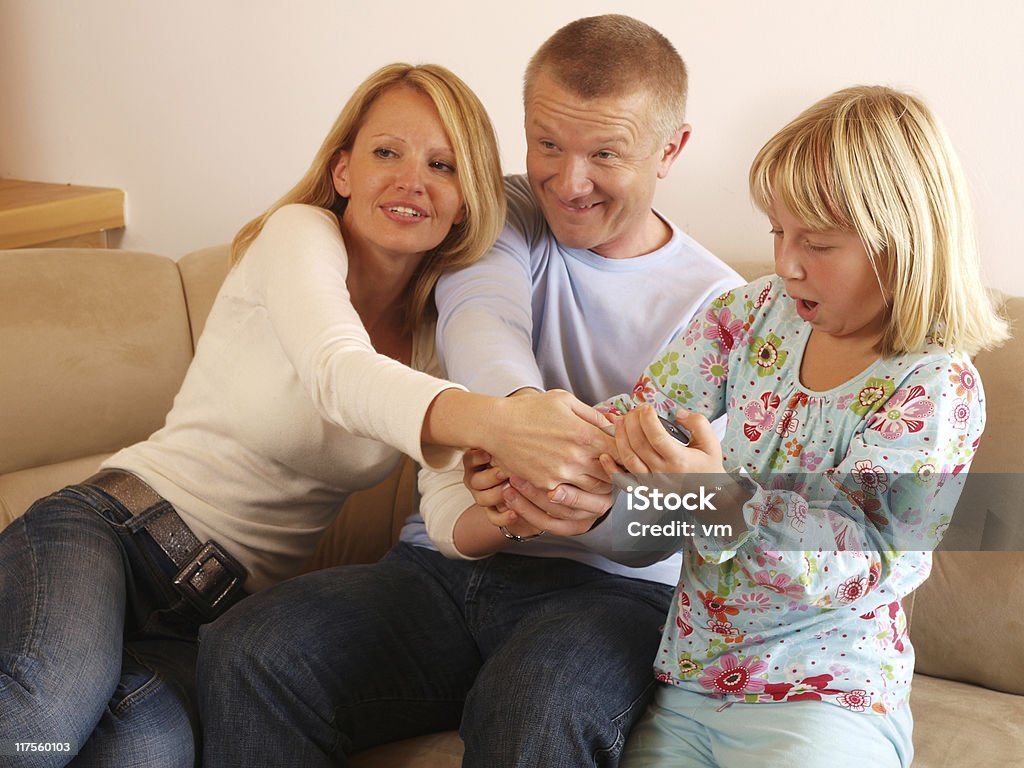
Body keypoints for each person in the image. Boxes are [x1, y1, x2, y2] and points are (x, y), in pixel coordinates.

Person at [0, 62, 615, 768]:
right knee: (35, 722)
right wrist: (505, 423)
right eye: (387, 152)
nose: (412, 178)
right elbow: (337, 372)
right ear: (343, 170)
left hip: (212, 622)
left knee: (137, 752)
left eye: (442, 165)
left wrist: (517, 507)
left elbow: (448, 508)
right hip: (115, 539)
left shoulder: (434, 340)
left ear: (465, 201)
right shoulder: (298, 235)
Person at [198, 15, 742, 768]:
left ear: (671, 148)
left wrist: (593, 505)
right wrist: (519, 423)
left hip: (613, 597)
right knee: (252, 649)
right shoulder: (502, 211)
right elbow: (481, 326)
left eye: (605, 154)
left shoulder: (729, 311)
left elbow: (710, 510)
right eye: (547, 143)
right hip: (444, 570)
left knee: (535, 702)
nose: (568, 181)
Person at [578, 86, 1007, 767]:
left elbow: (866, 556)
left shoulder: (933, 387)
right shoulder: (748, 316)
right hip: (692, 683)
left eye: (818, 243)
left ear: (904, 245)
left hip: (828, 698)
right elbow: (645, 417)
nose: (785, 263)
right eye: (777, 231)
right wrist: (563, 448)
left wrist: (715, 498)